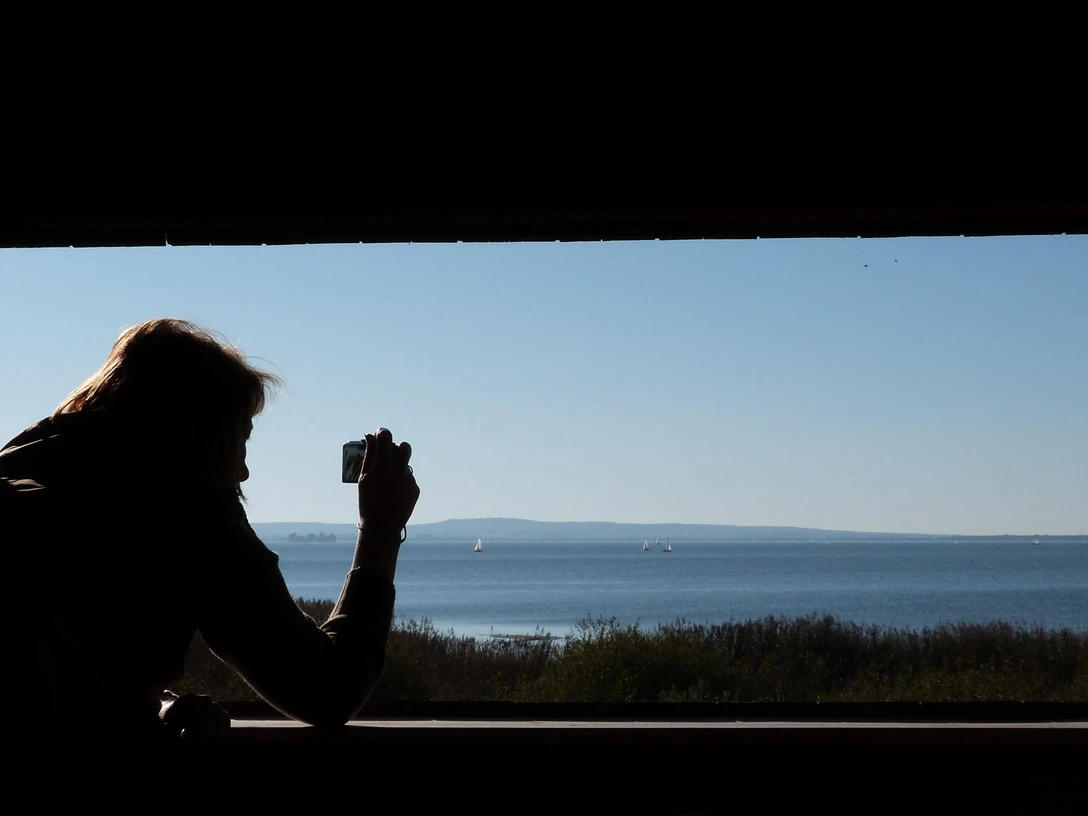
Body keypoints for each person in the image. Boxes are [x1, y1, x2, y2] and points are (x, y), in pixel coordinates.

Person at [0, 318, 419, 798]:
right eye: (240, 441)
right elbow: (327, 690)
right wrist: (381, 529)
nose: (243, 471)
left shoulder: (21, 459)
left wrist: (156, 703)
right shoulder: (188, 503)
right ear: (202, 435)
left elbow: (74, 657)